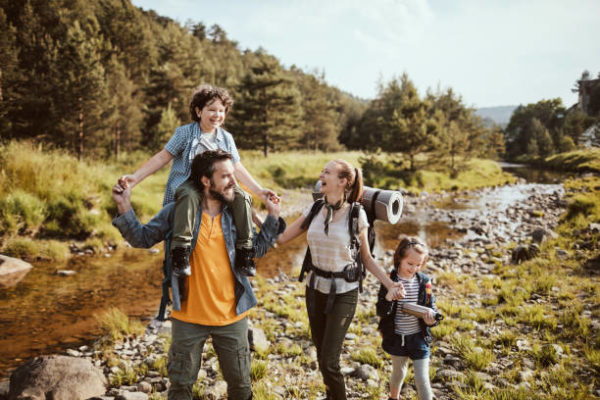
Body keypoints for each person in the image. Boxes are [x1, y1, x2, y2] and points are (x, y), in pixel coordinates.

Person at [112, 149, 284, 400]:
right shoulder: (177, 211)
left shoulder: (237, 213)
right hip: (188, 317)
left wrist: (273, 217)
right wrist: (124, 205)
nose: (234, 182)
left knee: (241, 386)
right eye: (225, 176)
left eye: (233, 175)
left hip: (232, 316)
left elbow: (257, 249)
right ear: (205, 180)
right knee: (180, 387)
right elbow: (142, 238)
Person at [276, 159, 404, 400]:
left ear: (343, 182)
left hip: (344, 293)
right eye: (322, 170)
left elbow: (366, 258)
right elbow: (282, 239)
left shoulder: (357, 215)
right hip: (314, 290)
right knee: (321, 353)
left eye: (327, 172)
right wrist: (256, 215)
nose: (320, 174)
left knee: (330, 362)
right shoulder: (314, 209)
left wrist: (389, 283)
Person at [118, 84, 277, 277]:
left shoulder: (226, 138)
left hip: (219, 188)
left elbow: (237, 168)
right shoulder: (185, 133)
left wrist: (259, 191)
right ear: (198, 110)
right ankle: (181, 251)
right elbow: (162, 157)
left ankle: (245, 252)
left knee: (242, 197)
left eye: (221, 110)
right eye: (211, 109)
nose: (217, 115)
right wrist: (135, 178)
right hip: (190, 184)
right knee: (189, 194)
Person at [376, 236, 439, 400]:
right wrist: (389, 298)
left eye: (418, 265)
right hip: (397, 337)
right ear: (399, 259)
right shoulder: (389, 280)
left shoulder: (424, 282)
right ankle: (393, 397)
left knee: (422, 378)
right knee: (398, 372)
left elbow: (431, 306)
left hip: (419, 337)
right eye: (410, 264)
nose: (413, 268)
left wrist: (431, 320)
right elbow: (381, 310)